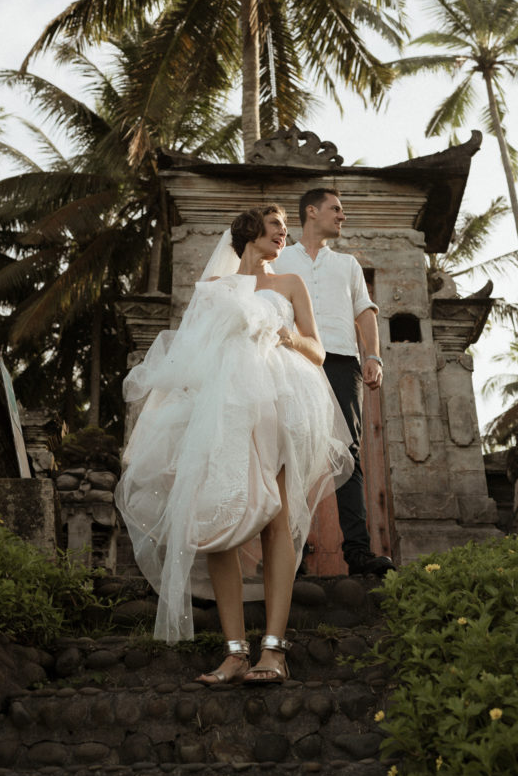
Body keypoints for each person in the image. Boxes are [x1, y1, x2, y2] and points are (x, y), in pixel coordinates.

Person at [115, 205, 352, 685]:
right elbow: (191, 352)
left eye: (285, 230)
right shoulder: (213, 291)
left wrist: (285, 335)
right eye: (275, 229)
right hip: (221, 404)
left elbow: (320, 350)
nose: (282, 237)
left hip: (278, 400)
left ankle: (274, 649)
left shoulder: (288, 285)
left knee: (278, 520)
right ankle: (234, 651)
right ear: (249, 233)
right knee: (215, 513)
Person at [275, 187, 395, 578]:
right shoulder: (280, 258)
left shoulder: (347, 265)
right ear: (311, 211)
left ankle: (358, 552)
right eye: (336, 209)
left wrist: (373, 356)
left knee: (349, 453)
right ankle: (289, 555)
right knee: (289, 453)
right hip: (292, 361)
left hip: (343, 362)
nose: (342, 217)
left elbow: (365, 312)